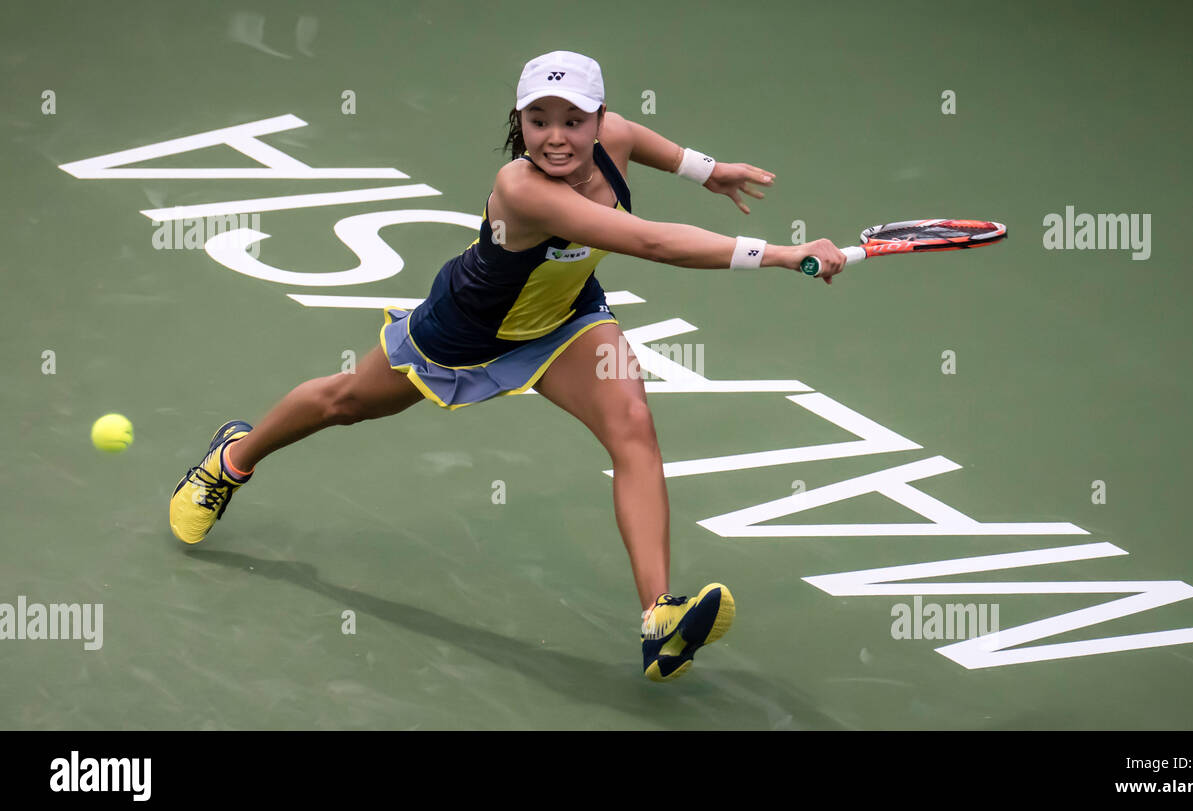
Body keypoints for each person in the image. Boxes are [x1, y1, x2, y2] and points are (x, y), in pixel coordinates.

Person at [168, 50, 847, 683]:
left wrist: (710, 170)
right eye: (538, 120)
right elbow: (649, 241)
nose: (556, 136)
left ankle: (659, 617)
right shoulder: (521, 188)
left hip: (568, 318)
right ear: (518, 123)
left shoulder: (617, 139)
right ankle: (229, 460)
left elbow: (645, 141)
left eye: (574, 121)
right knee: (347, 400)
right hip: (465, 328)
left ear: (599, 121)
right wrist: (781, 255)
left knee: (633, 424)